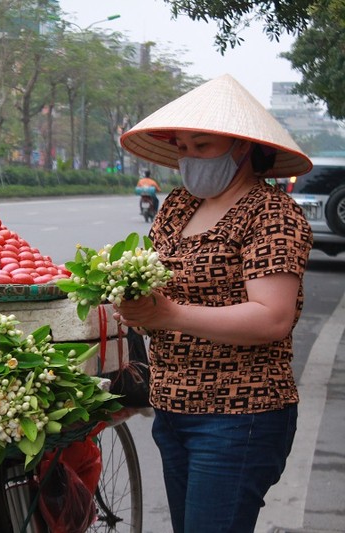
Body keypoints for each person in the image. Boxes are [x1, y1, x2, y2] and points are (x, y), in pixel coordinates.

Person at [115, 74, 313, 533]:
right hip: (172, 408)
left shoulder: (272, 213)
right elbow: (156, 286)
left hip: (238, 416)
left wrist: (168, 314)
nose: (189, 159)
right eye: (183, 147)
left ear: (242, 148)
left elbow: (272, 317)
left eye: (202, 146)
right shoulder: (177, 206)